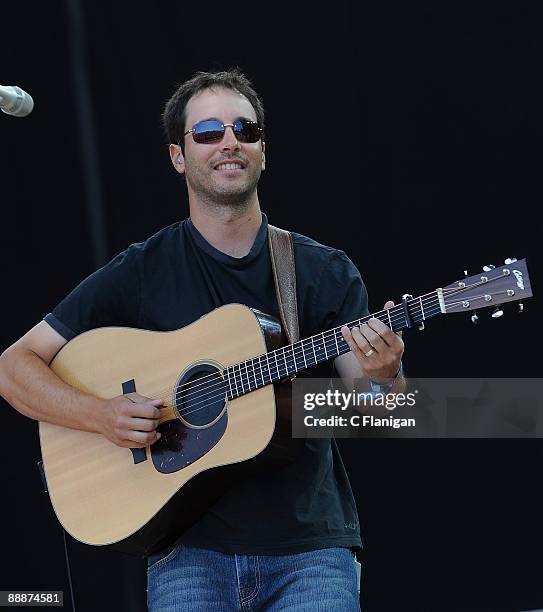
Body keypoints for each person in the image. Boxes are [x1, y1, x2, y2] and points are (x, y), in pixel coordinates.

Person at [0, 69, 404, 611]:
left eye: (246, 129)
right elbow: (13, 366)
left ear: (263, 150)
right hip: (185, 552)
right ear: (177, 156)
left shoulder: (321, 271)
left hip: (312, 551)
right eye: (209, 132)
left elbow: (381, 416)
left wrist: (385, 378)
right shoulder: (142, 270)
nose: (230, 141)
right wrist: (99, 414)